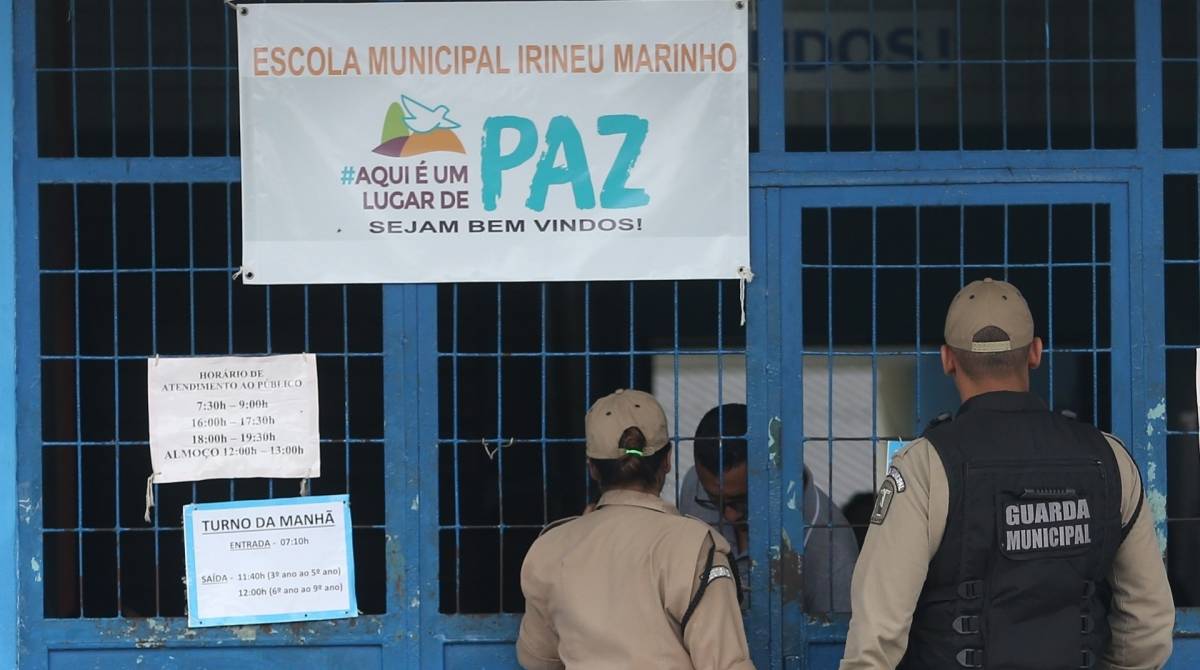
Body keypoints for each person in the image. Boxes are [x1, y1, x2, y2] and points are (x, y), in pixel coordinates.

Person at [840, 278, 1174, 669]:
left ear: (947, 359)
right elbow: (1148, 623)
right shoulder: (1109, 459)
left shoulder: (926, 466)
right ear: (1035, 352)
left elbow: (877, 634)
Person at [517, 389, 755, 670]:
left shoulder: (551, 547)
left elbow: (536, 660)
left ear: (592, 467)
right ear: (667, 461)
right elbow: (725, 664)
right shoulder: (694, 546)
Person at [678, 403, 859, 613]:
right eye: (713, 500)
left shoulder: (831, 548)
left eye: (741, 500)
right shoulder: (695, 486)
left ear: (775, 473)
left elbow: (837, 641)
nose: (729, 514)